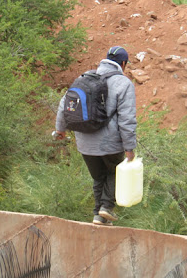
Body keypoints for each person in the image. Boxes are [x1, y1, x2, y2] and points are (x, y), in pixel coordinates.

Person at [54, 46, 137, 226]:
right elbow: (127, 119)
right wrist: (129, 147)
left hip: (84, 141)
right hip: (110, 143)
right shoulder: (124, 84)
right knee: (115, 172)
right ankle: (106, 207)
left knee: (99, 177)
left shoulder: (83, 78)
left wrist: (60, 130)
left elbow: (64, 105)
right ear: (123, 64)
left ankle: (98, 216)